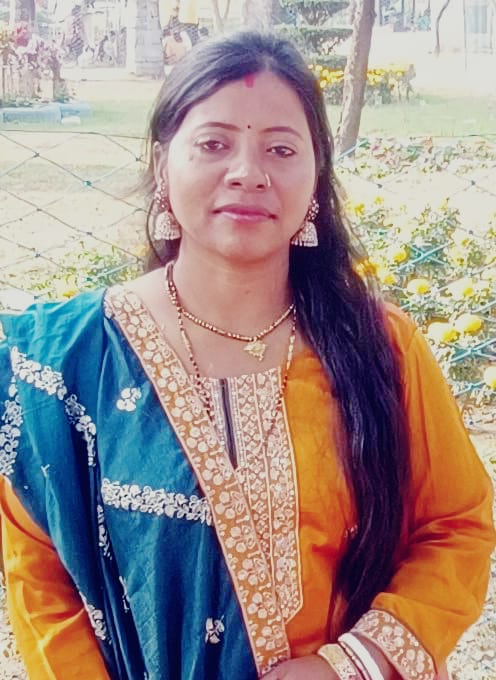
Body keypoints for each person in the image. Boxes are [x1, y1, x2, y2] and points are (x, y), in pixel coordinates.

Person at [0, 31, 494, 680]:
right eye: (214, 143)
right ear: (162, 165)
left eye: (281, 149)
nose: (248, 172)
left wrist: (351, 663)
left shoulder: (382, 348)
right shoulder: (67, 363)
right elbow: (42, 581)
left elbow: (457, 526)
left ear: (316, 176)